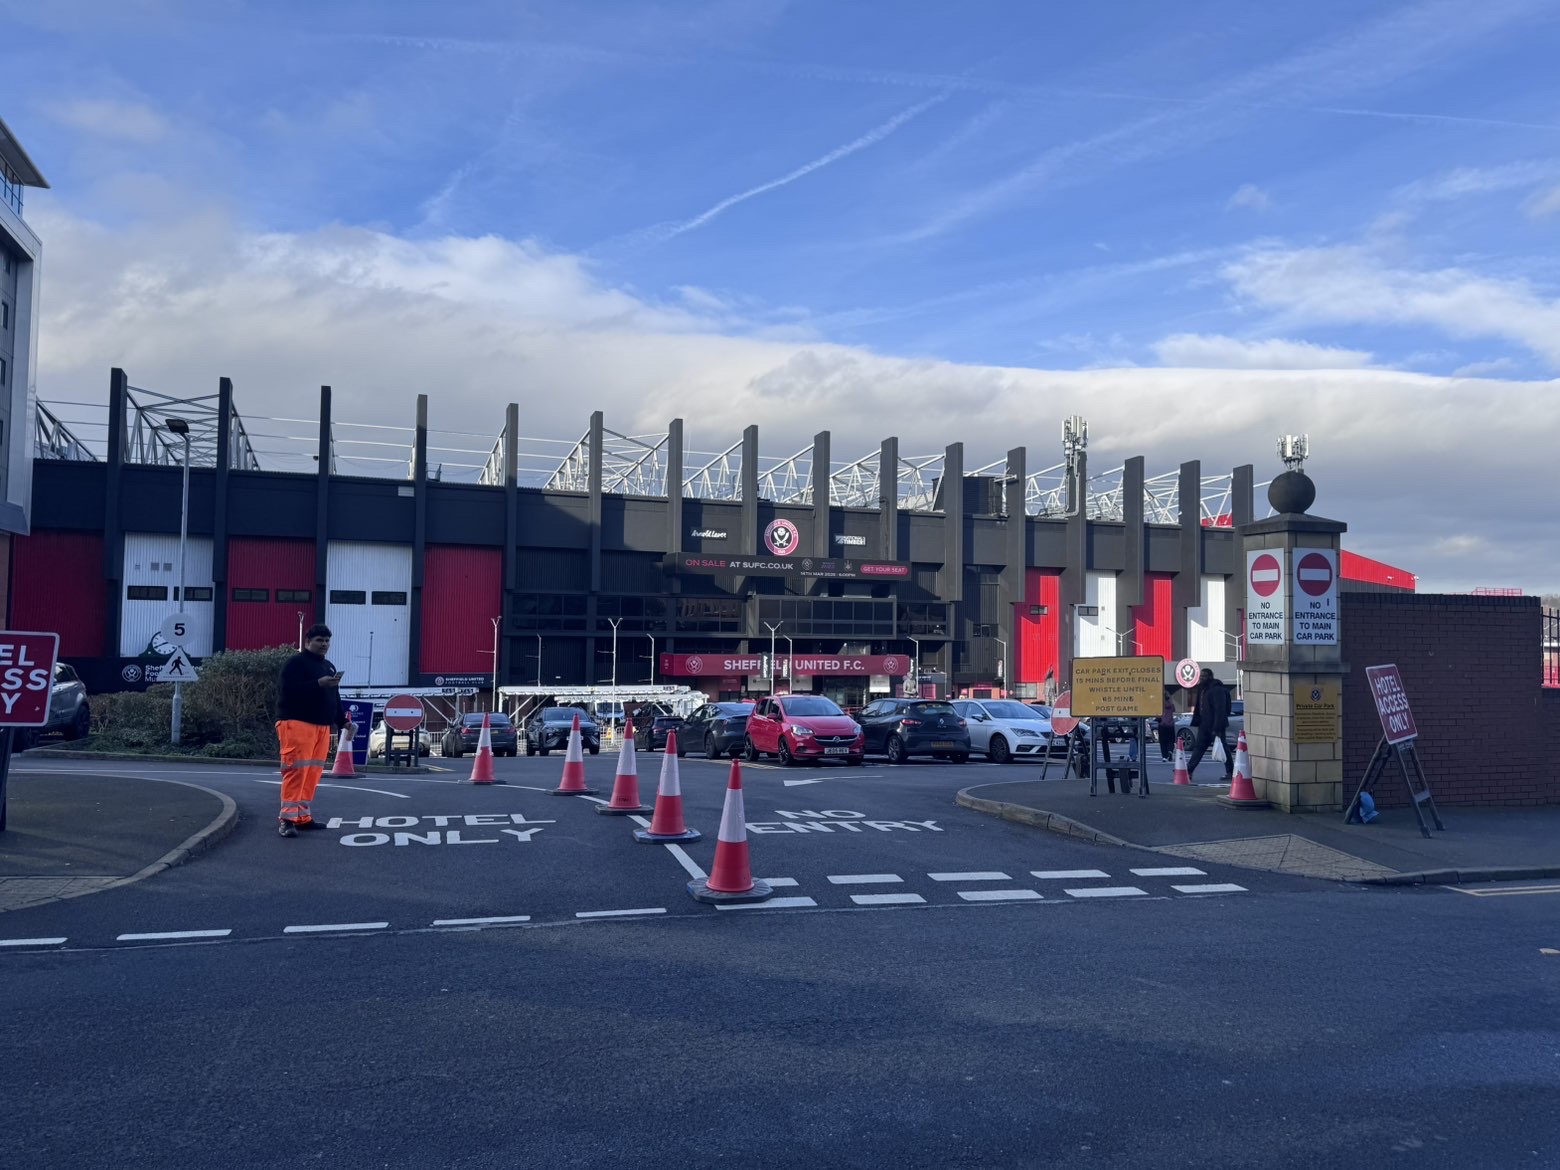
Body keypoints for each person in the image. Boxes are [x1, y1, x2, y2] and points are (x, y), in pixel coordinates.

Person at [275, 624, 352, 835]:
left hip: (321, 726)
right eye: (319, 640)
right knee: (296, 771)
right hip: (297, 722)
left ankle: (302, 817)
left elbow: (333, 696)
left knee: (312, 773)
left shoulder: (328, 666)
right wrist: (317, 684)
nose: (324, 644)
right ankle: (287, 820)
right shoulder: (295, 663)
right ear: (307, 642)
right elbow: (288, 690)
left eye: (327, 640)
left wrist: (342, 720)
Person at [1185, 668, 1233, 781]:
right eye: (1200, 676)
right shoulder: (1203, 689)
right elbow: (1199, 708)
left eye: (1204, 676)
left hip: (1215, 726)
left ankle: (1230, 771)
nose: (1201, 678)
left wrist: (1217, 727)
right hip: (1204, 724)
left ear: (1210, 677)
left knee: (1223, 748)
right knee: (1199, 748)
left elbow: (1220, 709)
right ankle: (1188, 771)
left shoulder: (1216, 690)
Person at [1157, 691, 1177, 762]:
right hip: (1170, 725)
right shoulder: (1171, 706)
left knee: (1162, 742)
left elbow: (1157, 715)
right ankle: (1170, 751)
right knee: (1171, 741)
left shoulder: (1160, 706)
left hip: (1162, 725)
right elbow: (1174, 710)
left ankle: (1164, 757)